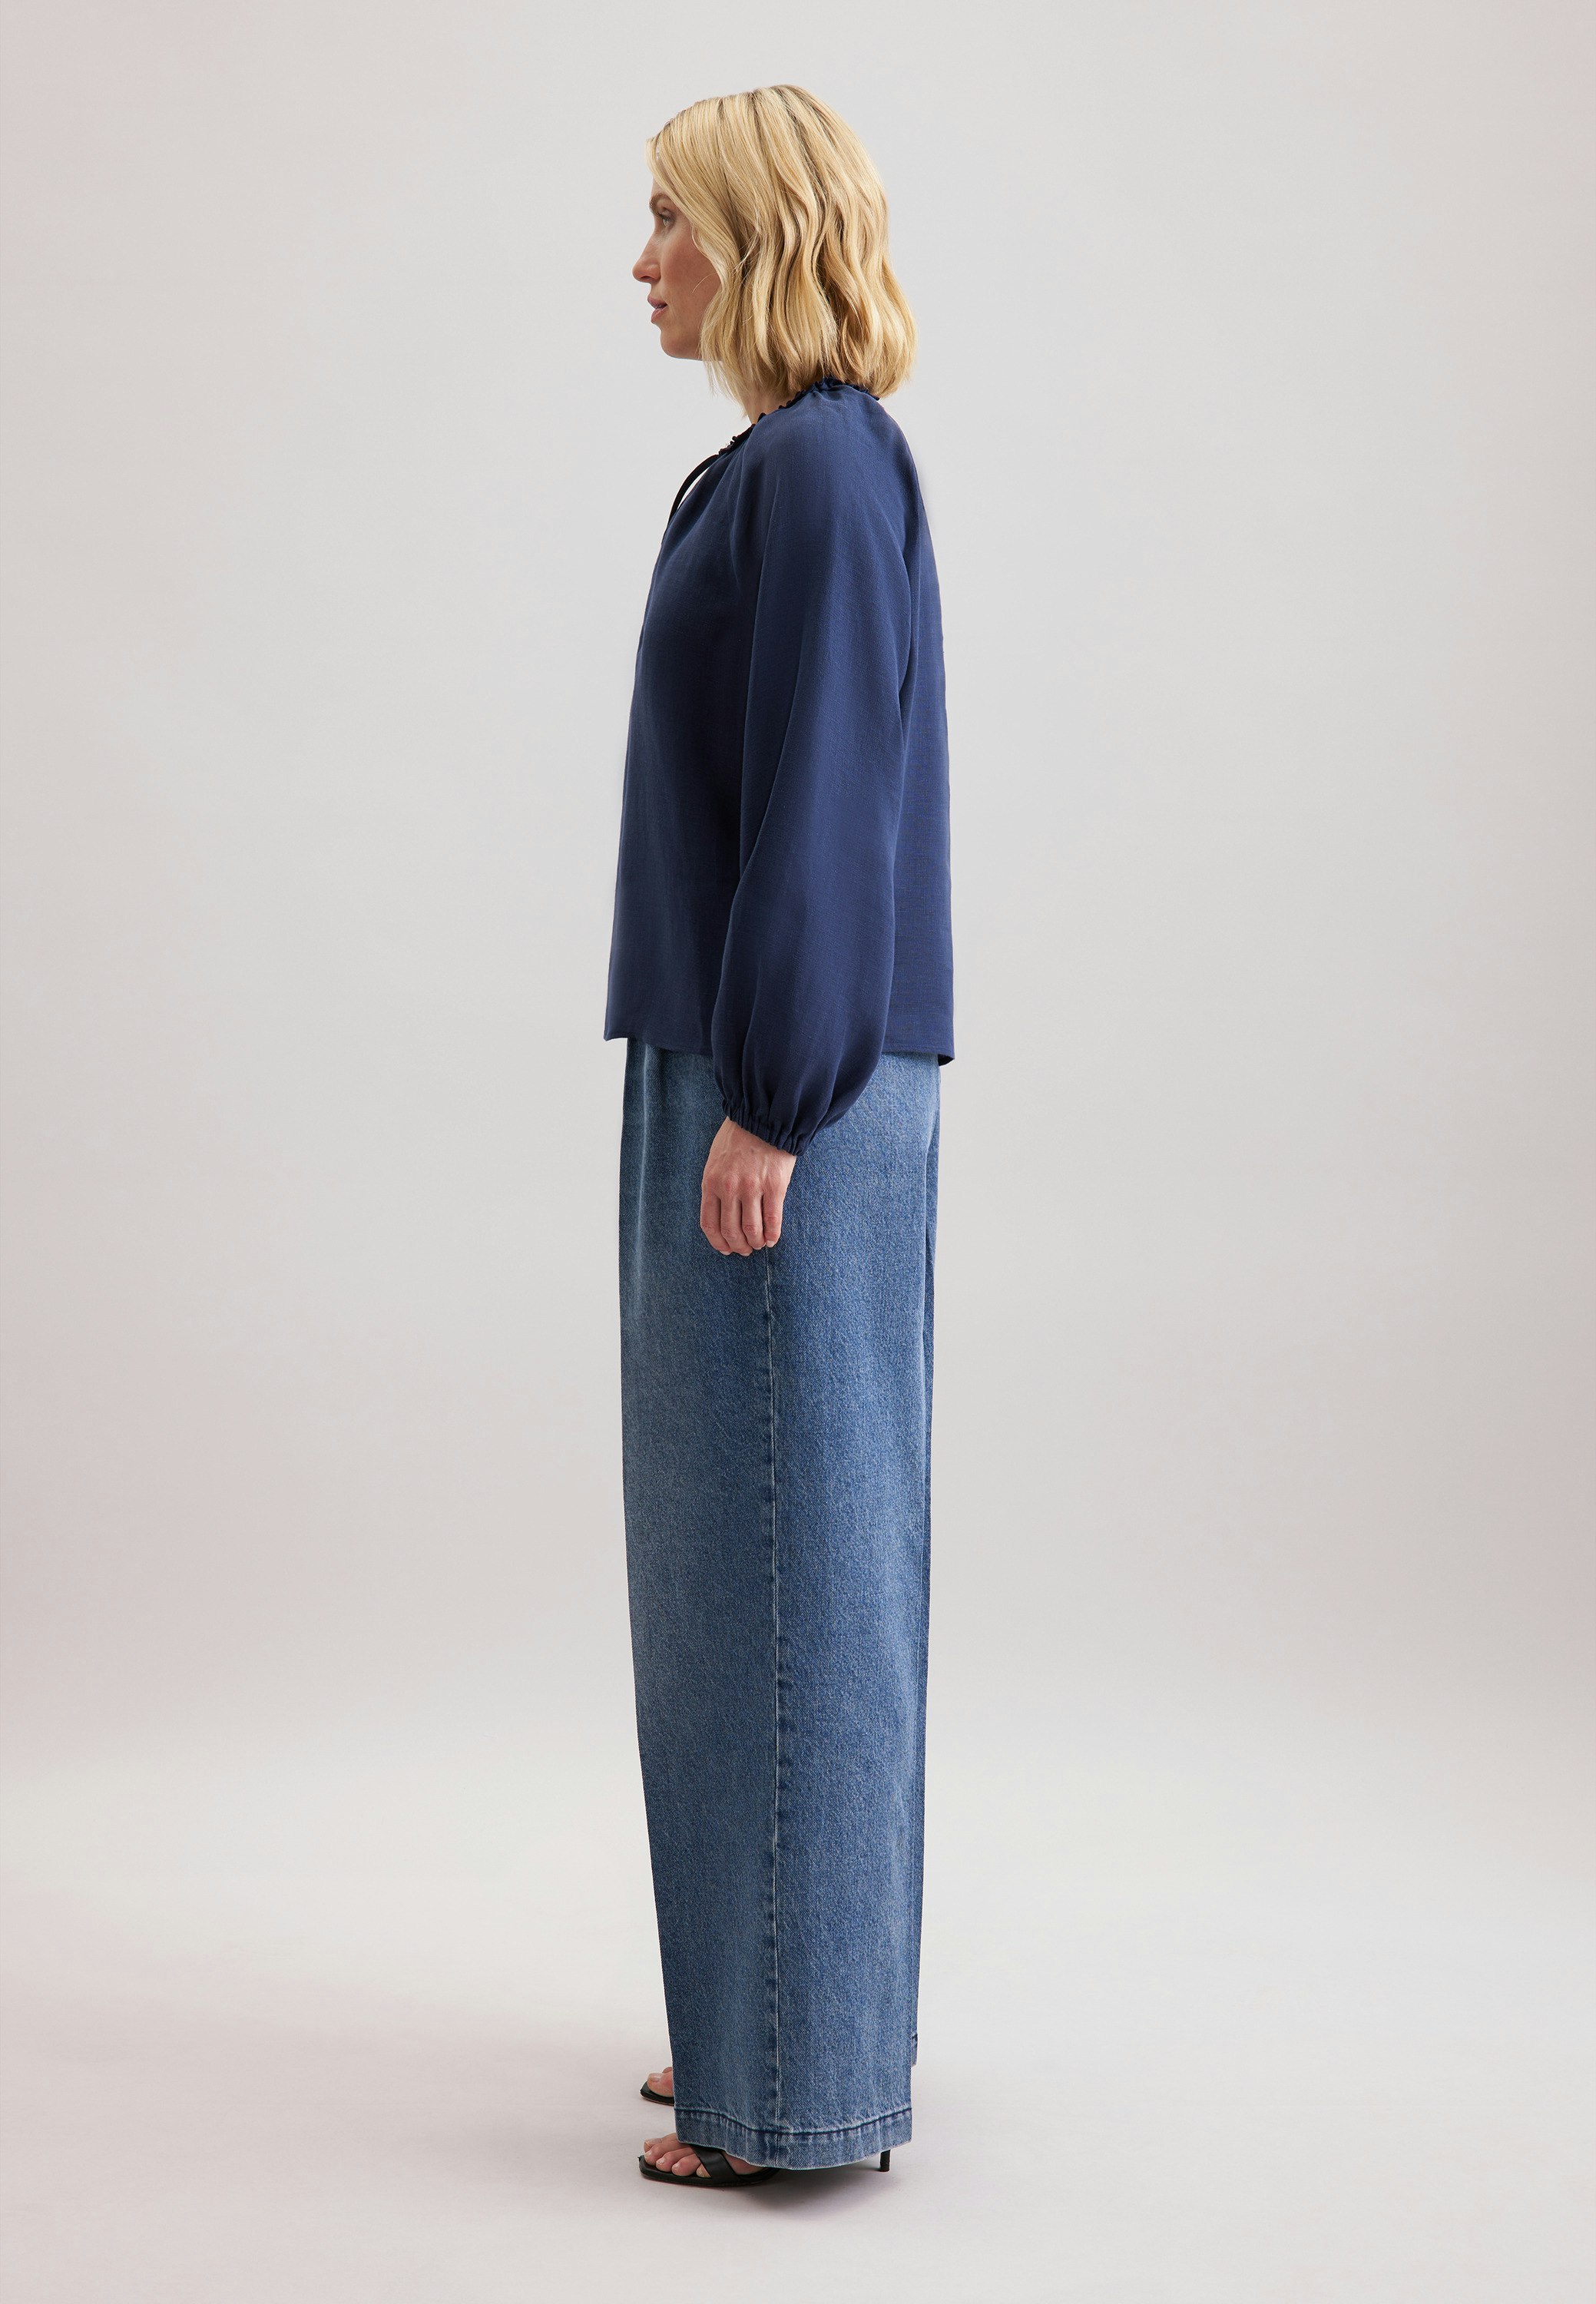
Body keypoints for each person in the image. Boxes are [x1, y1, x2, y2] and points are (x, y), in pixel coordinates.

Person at [604, 84, 954, 2189]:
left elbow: (830, 794)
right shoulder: (787, 465)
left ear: (755, 235)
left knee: (788, 1565)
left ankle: (795, 2088)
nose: (640, 258)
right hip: (750, 1064)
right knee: (744, 1566)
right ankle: (771, 2018)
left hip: (784, 1087)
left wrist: (771, 1095)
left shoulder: (819, 466)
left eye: (671, 217)